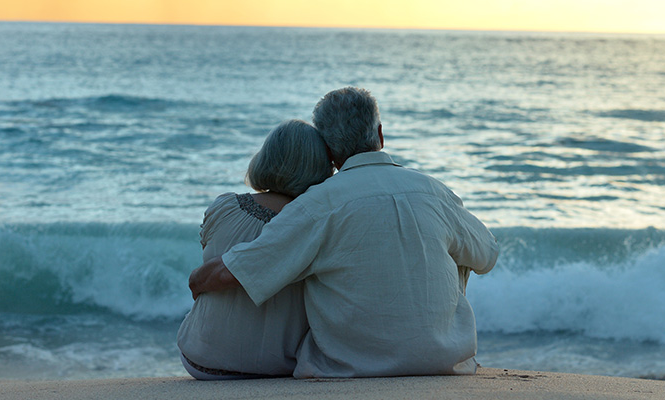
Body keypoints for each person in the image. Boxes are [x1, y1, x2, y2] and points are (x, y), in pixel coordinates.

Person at [189, 87, 499, 378]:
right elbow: (487, 255)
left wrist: (199, 279)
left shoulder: (317, 205)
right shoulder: (434, 191)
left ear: (327, 151)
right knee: (456, 247)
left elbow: (247, 267)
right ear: (379, 134)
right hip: (446, 362)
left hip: (350, 367)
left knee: (306, 260)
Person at [177, 119, 333, 379]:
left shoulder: (225, 207)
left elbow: (208, 257)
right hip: (278, 367)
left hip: (199, 359)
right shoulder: (315, 223)